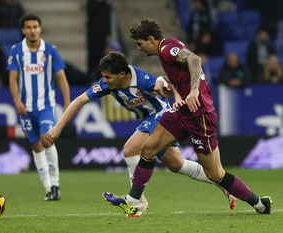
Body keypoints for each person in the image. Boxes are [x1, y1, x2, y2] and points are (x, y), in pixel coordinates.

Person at [104, 18, 272, 216]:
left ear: (150, 39)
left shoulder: (167, 49)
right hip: (183, 110)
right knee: (148, 148)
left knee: (215, 173)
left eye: (140, 44)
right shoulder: (168, 49)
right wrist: (163, 81)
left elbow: (194, 59)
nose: (139, 48)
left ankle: (260, 204)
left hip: (200, 115)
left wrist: (193, 91)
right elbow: (181, 74)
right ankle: (133, 201)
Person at [46, 51, 236, 216]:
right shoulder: (107, 84)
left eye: (108, 77)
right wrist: (58, 127)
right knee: (176, 165)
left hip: (160, 115)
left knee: (130, 149)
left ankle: (137, 202)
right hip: (146, 119)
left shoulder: (143, 80)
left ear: (122, 74)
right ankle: (223, 183)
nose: (104, 81)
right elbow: (79, 100)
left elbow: (168, 87)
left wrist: (178, 98)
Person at [7, 14, 70, 201]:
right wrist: (17, 101)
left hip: (46, 105)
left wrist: (68, 103)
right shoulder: (16, 51)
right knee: (35, 145)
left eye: (35, 27)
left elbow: (61, 78)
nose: (32, 30)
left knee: (46, 139)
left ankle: (56, 184)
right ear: (23, 30)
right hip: (26, 108)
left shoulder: (50, 51)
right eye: (28, 27)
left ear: (40, 29)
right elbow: (12, 79)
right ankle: (48, 188)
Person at [86, 0, 112, 84]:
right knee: (92, 56)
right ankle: (90, 77)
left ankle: (100, 76)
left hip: (103, 36)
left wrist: (108, 35)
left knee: (101, 56)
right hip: (93, 35)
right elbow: (91, 14)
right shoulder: (91, 3)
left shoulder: (106, 6)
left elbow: (107, 22)